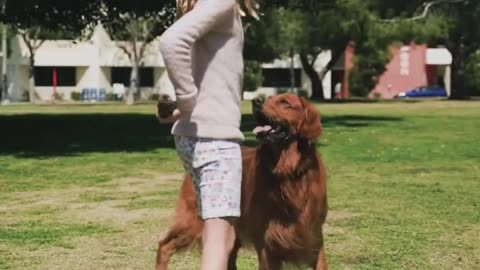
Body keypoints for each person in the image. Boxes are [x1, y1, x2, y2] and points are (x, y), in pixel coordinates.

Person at [156, 0, 257, 269]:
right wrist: (186, 100)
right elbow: (171, 42)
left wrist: (177, 109)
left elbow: (196, 65)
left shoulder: (202, 7)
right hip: (215, 140)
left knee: (225, 237)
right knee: (216, 240)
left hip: (198, 137)